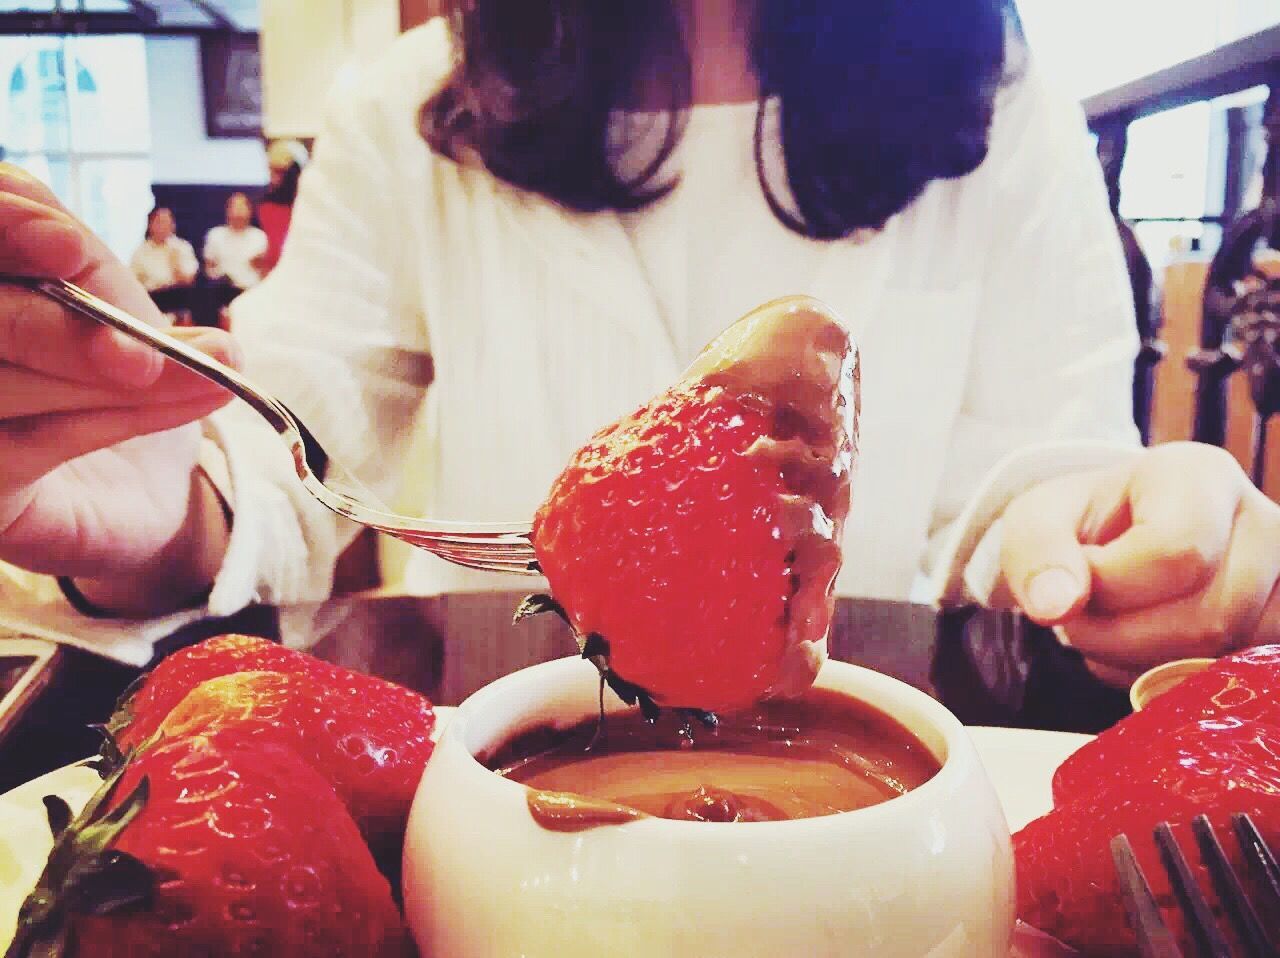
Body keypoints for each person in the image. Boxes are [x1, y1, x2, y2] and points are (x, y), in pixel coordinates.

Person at [0, 1, 1277, 677]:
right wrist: (154, 500)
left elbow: (1035, 473)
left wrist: (1111, 539)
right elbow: (293, 444)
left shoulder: (1005, 101)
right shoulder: (409, 103)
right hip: (505, 802)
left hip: (874, 810)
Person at [257, 139, 308, 277]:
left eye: (279, 172)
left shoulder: (308, 207)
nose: (274, 179)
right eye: (271, 172)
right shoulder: (266, 206)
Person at [202, 192, 268, 294]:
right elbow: (209, 267)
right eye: (235, 206)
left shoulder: (259, 236)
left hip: (250, 290)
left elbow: (263, 270)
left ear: (250, 211)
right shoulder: (215, 234)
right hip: (221, 290)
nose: (238, 210)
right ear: (227, 211)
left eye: (242, 206)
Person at [129, 206, 198, 295]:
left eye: (167, 222)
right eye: (159, 222)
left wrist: (175, 262)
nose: (163, 226)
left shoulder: (182, 247)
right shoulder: (140, 252)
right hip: (152, 298)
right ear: (150, 225)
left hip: (179, 297)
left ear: (173, 225)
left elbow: (189, 280)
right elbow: (133, 284)